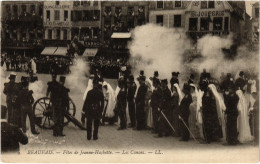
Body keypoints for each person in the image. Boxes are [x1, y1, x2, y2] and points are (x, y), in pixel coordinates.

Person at [201, 79, 223, 143]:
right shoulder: (207, 92)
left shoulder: (208, 93)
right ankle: (210, 138)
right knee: (211, 125)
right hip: (210, 112)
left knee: (208, 125)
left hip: (209, 112)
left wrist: (204, 108)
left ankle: (208, 139)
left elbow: (208, 103)